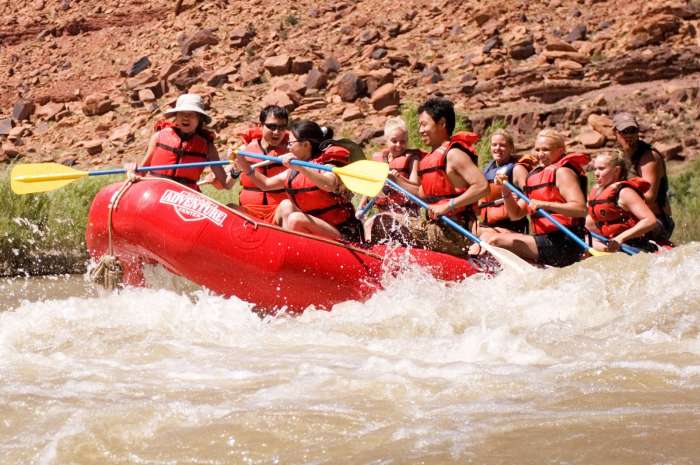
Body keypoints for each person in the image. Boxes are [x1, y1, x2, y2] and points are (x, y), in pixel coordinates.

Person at [234, 120, 363, 242]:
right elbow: (266, 184)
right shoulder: (295, 168)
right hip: (319, 229)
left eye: (290, 143)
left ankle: (289, 251)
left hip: (344, 233)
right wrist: (244, 165)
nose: (287, 147)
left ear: (306, 145)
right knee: (286, 205)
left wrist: (301, 168)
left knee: (296, 220)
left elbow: (329, 184)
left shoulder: (327, 163)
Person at [488, 129, 589, 267]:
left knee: (496, 242)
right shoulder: (535, 176)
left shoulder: (563, 172)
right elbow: (515, 214)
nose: (540, 155)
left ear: (561, 150)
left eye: (546, 150)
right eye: (537, 149)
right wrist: (505, 189)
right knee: (492, 237)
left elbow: (581, 209)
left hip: (565, 242)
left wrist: (545, 204)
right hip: (546, 239)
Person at [405, 97, 488, 257]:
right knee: (381, 220)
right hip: (435, 226)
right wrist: (393, 180)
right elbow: (420, 193)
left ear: (442, 123)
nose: (420, 130)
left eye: (424, 124)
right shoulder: (430, 158)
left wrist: (447, 206)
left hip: (455, 232)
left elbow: (483, 187)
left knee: (386, 223)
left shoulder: (453, 154)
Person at [126, 94, 227, 191]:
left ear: (199, 119)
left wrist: (232, 171)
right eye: (182, 113)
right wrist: (132, 172)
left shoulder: (208, 146)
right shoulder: (159, 136)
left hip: (184, 195)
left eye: (191, 114)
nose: (186, 117)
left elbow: (224, 184)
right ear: (176, 117)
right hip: (156, 189)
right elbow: (141, 171)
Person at [209, 105, 289, 220]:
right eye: (272, 126)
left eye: (282, 127)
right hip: (249, 212)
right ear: (260, 126)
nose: (277, 132)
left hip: (278, 213)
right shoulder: (244, 151)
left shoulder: (291, 152)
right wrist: (234, 170)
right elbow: (227, 184)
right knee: (230, 208)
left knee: (288, 208)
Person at [358, 117, 425, 243]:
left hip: (407, 215)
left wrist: (398, 179)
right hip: (384, 213)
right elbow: (369, 187)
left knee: (374, 223)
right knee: (366, 226)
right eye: (394, 141)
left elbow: (416, 189)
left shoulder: (412, 159)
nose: (399, 145)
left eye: (403, 141)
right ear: (386, 139)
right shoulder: (379, 159)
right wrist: (361, 208)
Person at [613, 112, 674, 242]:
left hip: (657, 221)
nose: (629, 135)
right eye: (624, 131)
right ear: (615, 133)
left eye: (633, 130)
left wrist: (617, 199)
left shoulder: (649, 157)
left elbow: (650, 197)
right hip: (630, 218)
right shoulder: (619, 155)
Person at [586, 152, 658, 252]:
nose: (596, 173)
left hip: (635, 245)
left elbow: (650, 221)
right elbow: (590, 222)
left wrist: (620, 238)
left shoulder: (625, 192)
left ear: (616, 170)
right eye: (595, 169)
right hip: (610, 244)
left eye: (601, 169)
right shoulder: (597, 193)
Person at [477, 129, 531, 236]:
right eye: (494, 145)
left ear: (511, 148)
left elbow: (530, 196)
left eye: (502, 145)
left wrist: (518, 202)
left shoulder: (517, 169)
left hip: (512, 226)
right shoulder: (488, 169)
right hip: (488, 225)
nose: (497, 148)